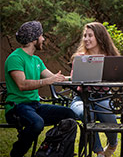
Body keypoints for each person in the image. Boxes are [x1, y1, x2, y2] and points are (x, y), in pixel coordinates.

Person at [4, 21, 76, 157]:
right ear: (34, 38)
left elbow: (54, 78)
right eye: (41, 36)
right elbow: (22, 84)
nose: (43, 39)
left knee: (69, 114)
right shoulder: (15, 58)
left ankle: (52, 151)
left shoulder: (36, 60)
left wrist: (77, 76)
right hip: (16, 107)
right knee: (37, 123)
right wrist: (46, 81)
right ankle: (16, 153)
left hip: (35, 106)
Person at [70, 22, 119, 157]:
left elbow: (119, 79)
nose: (86, 39)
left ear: (100, 37)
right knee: (87, 113)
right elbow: (74, 81)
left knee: (110, 120)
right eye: (85, 35)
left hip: (103, 98)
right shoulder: (79, 58)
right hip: (81, 99)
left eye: (90, 35)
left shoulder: (110, 58)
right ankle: (99, 152)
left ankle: (113, 143)